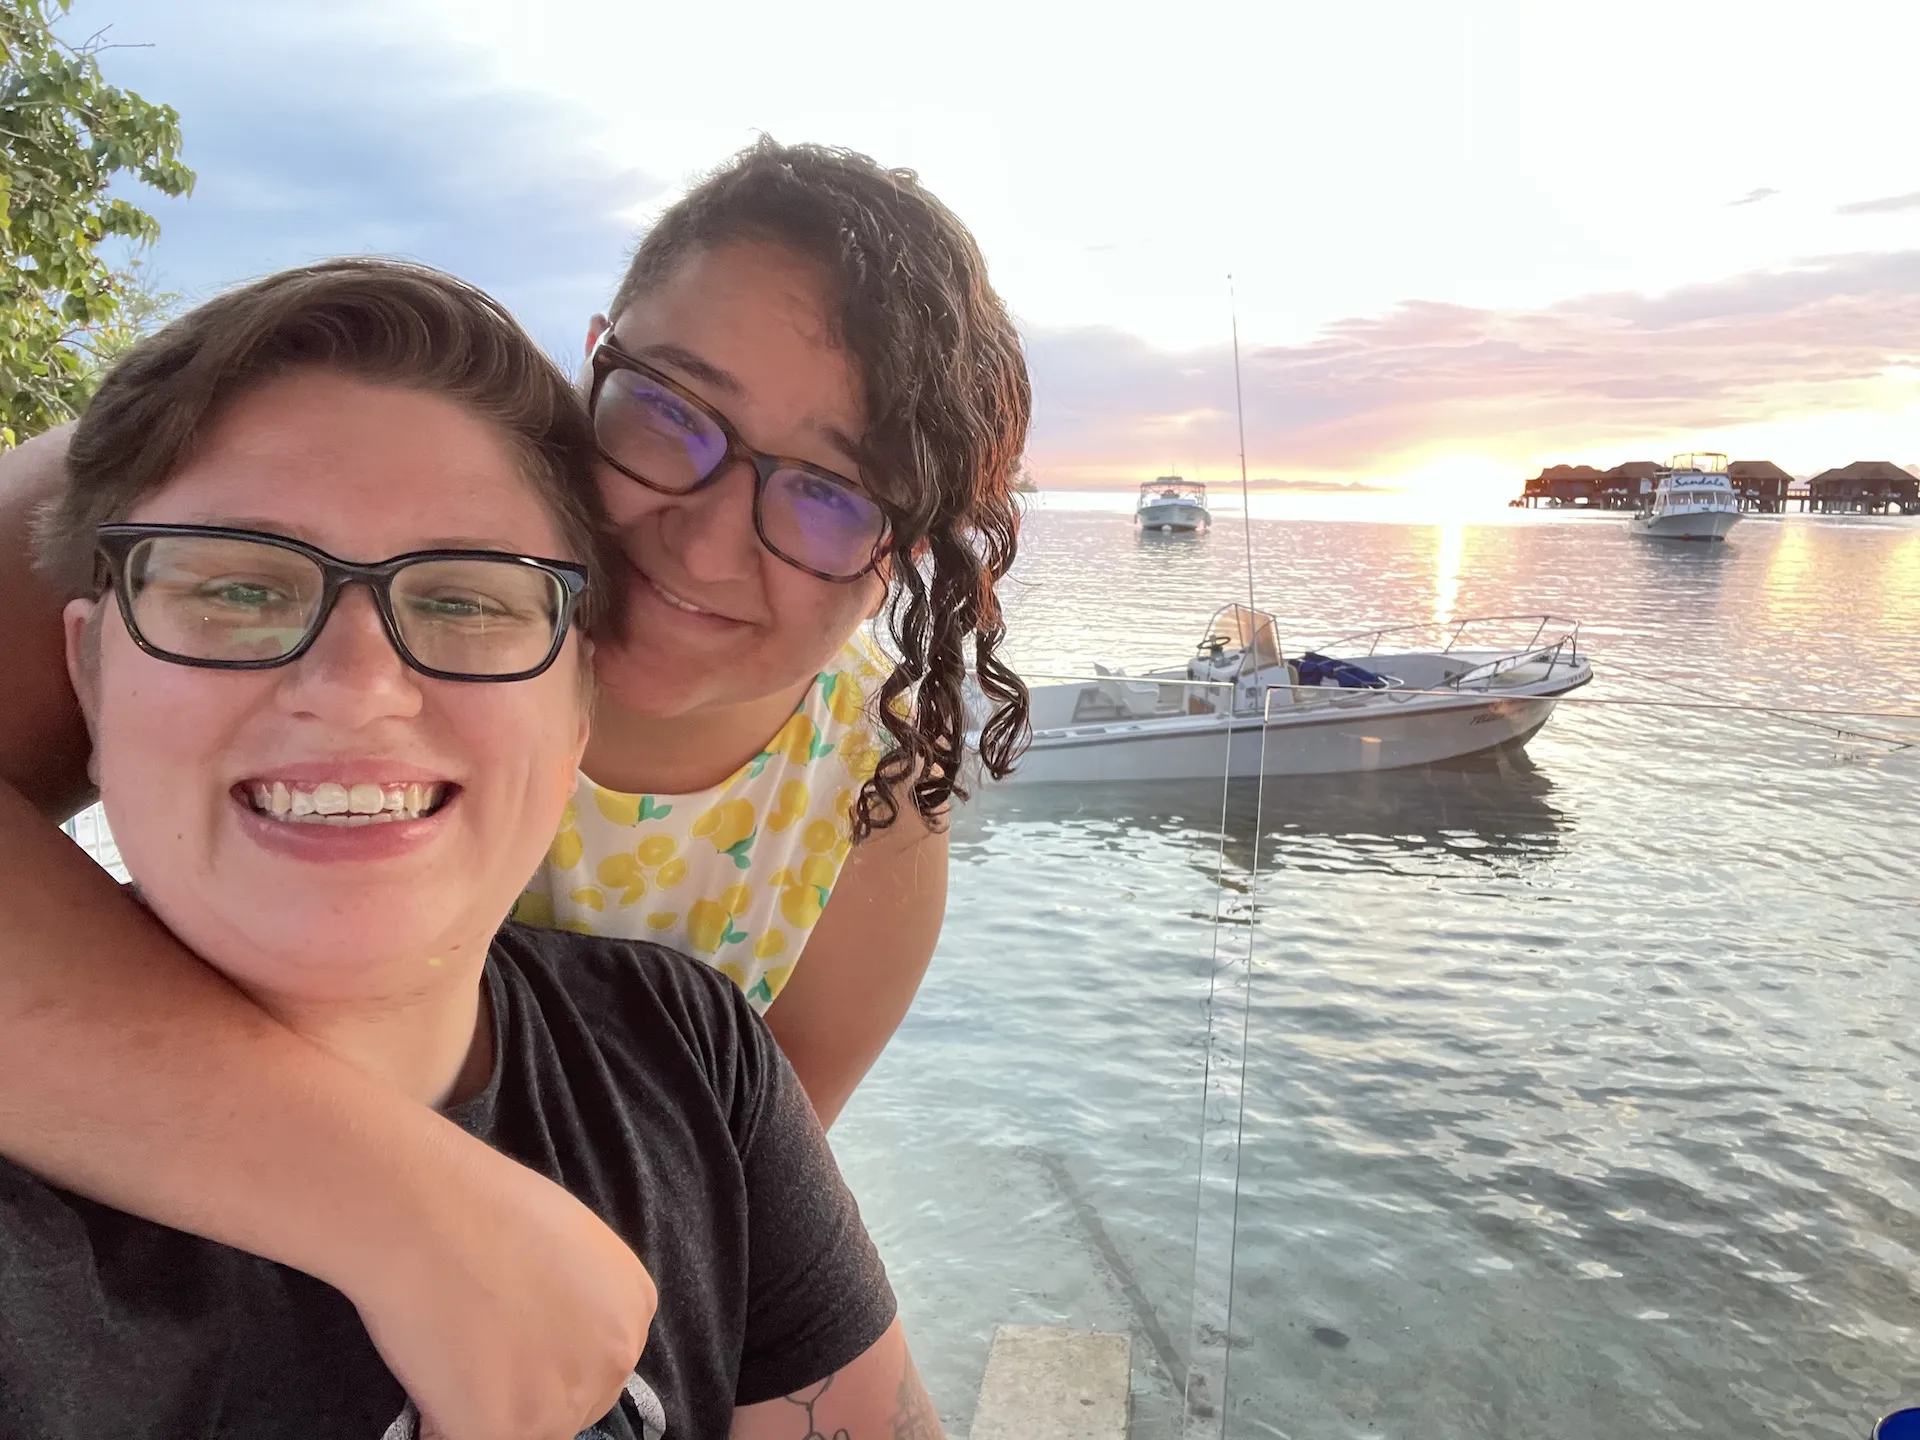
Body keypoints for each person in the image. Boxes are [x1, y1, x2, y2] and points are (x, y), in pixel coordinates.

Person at [0, 142, 1026, 1436]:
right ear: (596, 359)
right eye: (672, 410)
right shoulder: (332, 424)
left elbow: (729, 1254)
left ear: (897, 559)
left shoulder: (852, 833)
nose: (706, 536)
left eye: (830, 495)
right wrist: (396, 1207)